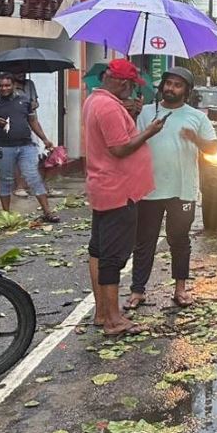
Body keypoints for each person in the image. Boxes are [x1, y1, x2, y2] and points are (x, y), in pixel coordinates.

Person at [82, 58, 166, 336]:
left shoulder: (97, 101)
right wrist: (148, 132)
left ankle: (102, 311)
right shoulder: (107, 107)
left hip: (105, 187)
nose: (132, 90)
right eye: (131, 85)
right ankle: (113, 320)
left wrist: (131, 115)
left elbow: (115, 137)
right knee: (112, 258)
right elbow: (119, 149)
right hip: (119, 191)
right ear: (119, 82)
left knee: (99, 250)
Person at [127, 66, 217, 310]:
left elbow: (214, 149)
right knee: (144, 241)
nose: (171, 88)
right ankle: (137, 291)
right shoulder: (145, 113)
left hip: (182, 190)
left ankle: (180, 289)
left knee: (179, 240)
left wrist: (195, 139)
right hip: (149, 189)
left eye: (178, 85)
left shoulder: (197, 117)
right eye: (168, 83)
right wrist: (135, 117)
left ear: (186, 91)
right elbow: (129, 143)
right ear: (161, 86)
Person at [0, 73, 58, 223]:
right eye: (1, 86)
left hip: (26, 146)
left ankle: (48, 212)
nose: (4, 88)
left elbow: (33, 121)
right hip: (3, 147)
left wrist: (44, 139)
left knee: (33, 177)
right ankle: (6, 216)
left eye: (7, 85)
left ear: (14, 85)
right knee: (6, 179)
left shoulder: (24, 101)